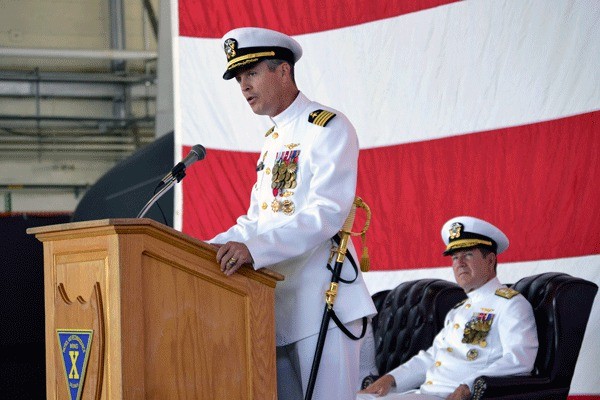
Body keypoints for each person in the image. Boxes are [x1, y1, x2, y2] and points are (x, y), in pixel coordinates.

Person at [207, 27, 377, 400]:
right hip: (278, 306)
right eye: (239, 77)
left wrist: (255, 250)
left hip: (323, 305)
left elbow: (327, 213)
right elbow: (257, 221)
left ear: (283, 70)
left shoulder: (327, 127)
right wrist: (200, 247)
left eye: (251, 73)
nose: (243, 86)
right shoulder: (272, 142)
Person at [357, 216, 539, 400]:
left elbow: (519, 360)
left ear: (490, 260)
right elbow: (432, 356)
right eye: (454, 257)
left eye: (467, 254)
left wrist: (468, 387)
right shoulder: (459, 309)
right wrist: (390, 379)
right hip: (426, 393)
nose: (459, 263)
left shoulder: (510, 304)